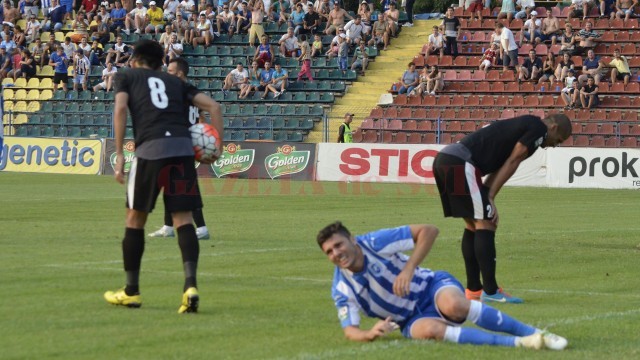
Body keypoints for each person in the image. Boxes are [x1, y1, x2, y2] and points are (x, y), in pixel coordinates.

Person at [104, 40, 223, 313]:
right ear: (160, 64)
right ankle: (190, 286)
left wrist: (120, 153)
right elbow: (214, 107)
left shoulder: (127, 75)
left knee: (135, 219)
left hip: (150, 151)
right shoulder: (175, 82)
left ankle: (131, 291)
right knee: (184, 220)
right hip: (182, 153)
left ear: (134, 60)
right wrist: (216, 148)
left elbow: (121, 108)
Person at [316, 221, 568, 350]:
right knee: (431, 330)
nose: (336, 253)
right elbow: (350, 330)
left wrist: (409, 267)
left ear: (351, 239)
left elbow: (428, 230)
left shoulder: (374, 242)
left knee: (456, 305)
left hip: (431, 286)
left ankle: (533, 332)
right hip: (409, 319)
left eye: (338, 245)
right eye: (329, 252)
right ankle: (522, 344)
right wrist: (370, 333)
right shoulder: (342, 288)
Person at [433, 114, 572, 303]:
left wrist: (488, 195)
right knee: (486, 222)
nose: (555, 145)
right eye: (558, 140)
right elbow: (514, 160)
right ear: (554, 127)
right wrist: (488, 197)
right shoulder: (538, 128)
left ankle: (474, 290)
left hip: (447, 159)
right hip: (460, 163)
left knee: (474, 224)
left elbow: (505, 163)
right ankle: (490, 291)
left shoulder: (523, 125)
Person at [148, 57, 213, 240]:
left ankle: (201, 228)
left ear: (180, 74)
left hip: (177, 145)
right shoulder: (193, 93)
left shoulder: (177, 92)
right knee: (172, 186)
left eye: (170, 70)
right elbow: (202, 117)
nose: (166, 73)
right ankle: (168, 227)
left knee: (185, 188)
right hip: (185, 145)